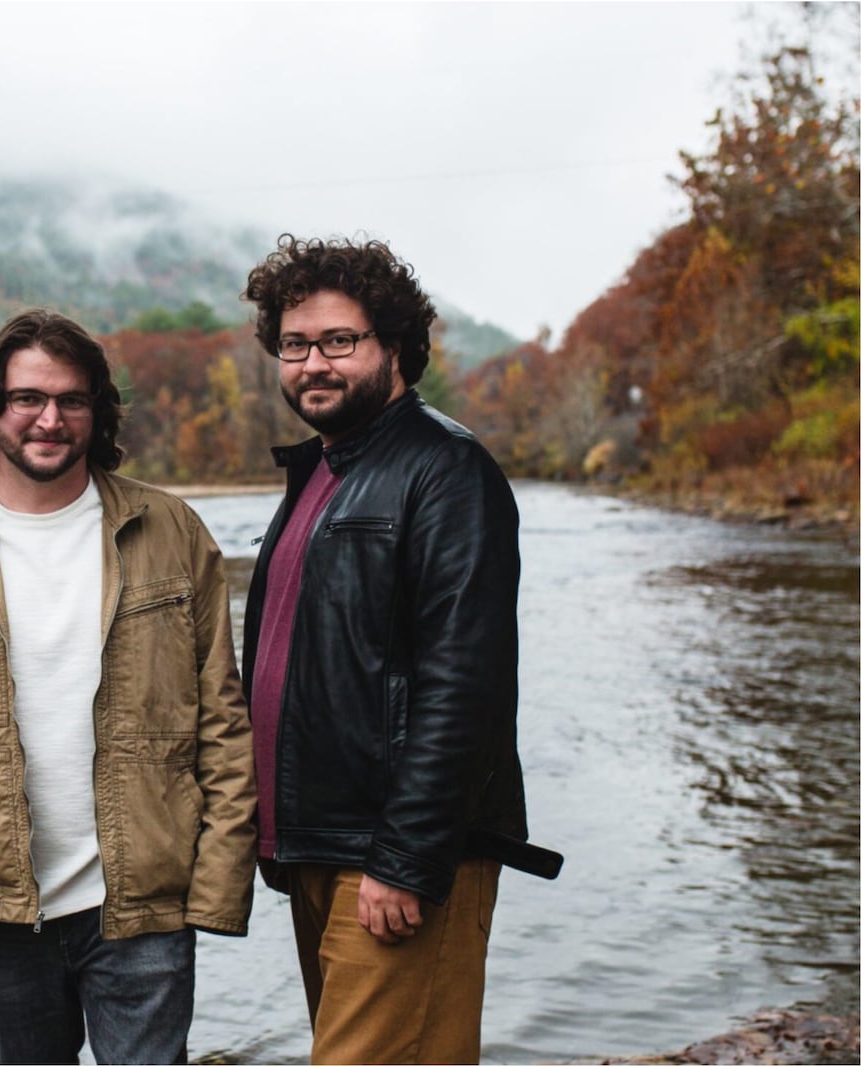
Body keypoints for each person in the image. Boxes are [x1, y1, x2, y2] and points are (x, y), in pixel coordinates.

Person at [0, 308, 257, 1065]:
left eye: (72, 400)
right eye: (27, 399)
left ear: (97, 411)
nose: (50, 419)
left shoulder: (171, 531)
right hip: (0, 907)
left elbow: (223, 717)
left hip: (142, 901)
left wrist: (216, 880)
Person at [239, 236, 563, 1065]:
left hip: (393, 858)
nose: (315, 363)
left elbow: (467, 683)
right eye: (296, 345)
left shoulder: (445, 470)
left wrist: (406, 859)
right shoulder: (321, 471)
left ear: (395, 347)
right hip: (318, 847)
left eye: (339, 341)